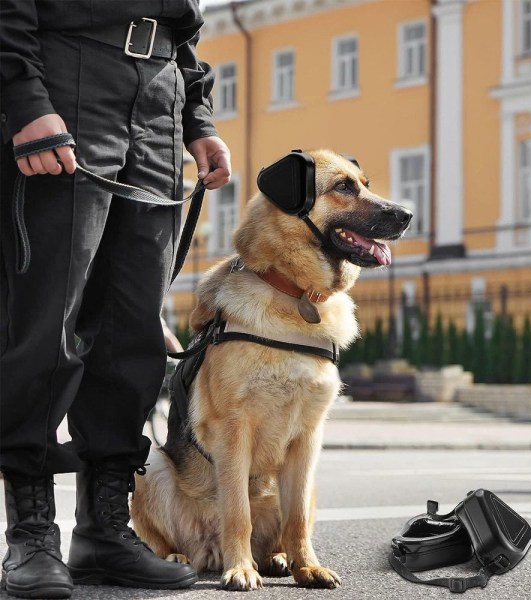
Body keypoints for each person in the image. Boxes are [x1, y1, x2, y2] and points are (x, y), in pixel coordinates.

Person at [0, 1, 231, 598]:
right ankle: (31, 533)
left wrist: (197, 118)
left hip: (160, 96)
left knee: (133, 332)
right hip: (67, 79)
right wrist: (24, 99)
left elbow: (184, 27)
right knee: (49, 325)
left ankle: (104, 530)